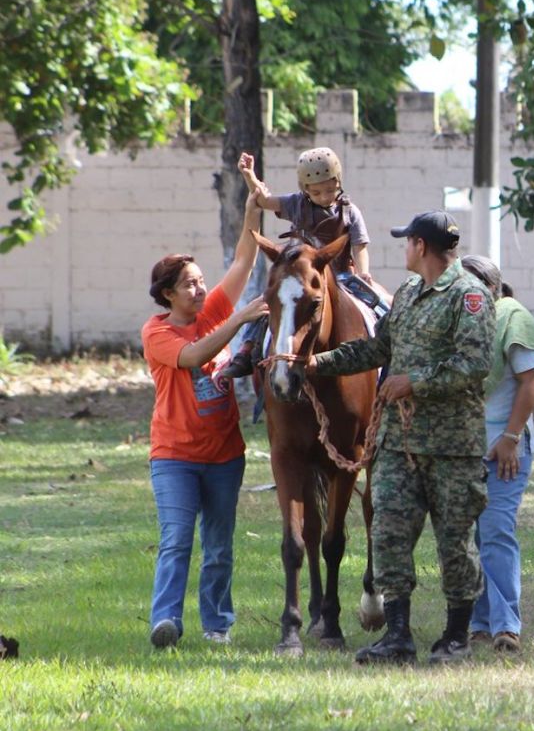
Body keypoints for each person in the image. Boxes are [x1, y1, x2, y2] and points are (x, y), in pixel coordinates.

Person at [305, 211, 495, 665]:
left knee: (455, 542)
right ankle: (397, 636)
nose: (402, 248)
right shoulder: (407, 295)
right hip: (398, 444)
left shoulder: (469, 297)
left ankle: (455, 637)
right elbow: (377, 349)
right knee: (388, 533)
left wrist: (414, 382)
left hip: (451, 447)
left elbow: (474, 365)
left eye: (406, 241)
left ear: (422, 246)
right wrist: (318, 362)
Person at [141, 190, 270, 648]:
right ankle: (166, 622)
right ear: (168, 294)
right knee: (177, 539)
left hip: (224, 455)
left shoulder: (212, 311)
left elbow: (242, 262)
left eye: (200, 282)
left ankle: (217, 624)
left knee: (218, 545)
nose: (201, 289)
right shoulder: (157, 332)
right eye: (190, 284)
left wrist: (254, 204)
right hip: (174, 456)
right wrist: (238, 322)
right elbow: (195, 353)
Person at [217, 148, 390, 384]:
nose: (324, 196)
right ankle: (246, 351)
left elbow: (360, 245)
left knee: (382, 304)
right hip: (300, 277)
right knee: (264, 305)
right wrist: (249, 175)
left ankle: (394, 352)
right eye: (317, 192)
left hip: (342, 276)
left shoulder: (350, 211)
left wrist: (363, 272)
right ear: (305, 189)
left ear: (338, 182)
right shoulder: (295, 204)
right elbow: (264, 200)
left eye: (330, 190)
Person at [459, 255, 534, 655]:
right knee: (476, 538)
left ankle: (506, 627)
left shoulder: (510, 316)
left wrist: (511, 437)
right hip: (465, 449)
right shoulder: (461, 324)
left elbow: (532, 379)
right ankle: (481, 623)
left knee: (496, 532)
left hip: (505, 448)